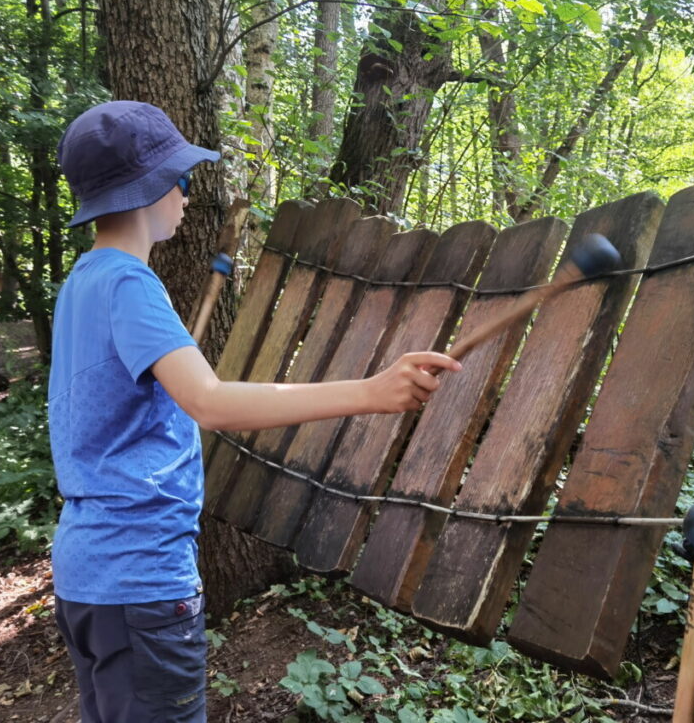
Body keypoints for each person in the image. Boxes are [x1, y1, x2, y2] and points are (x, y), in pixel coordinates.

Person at [49, 100, 460, 723]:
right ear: (150, 189)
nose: (186, 195)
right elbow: (210, 401)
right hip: (140, 579)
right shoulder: (129, 284)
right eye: (181, 179)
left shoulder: (82, 282)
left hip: (86, 579)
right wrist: (372, 392)